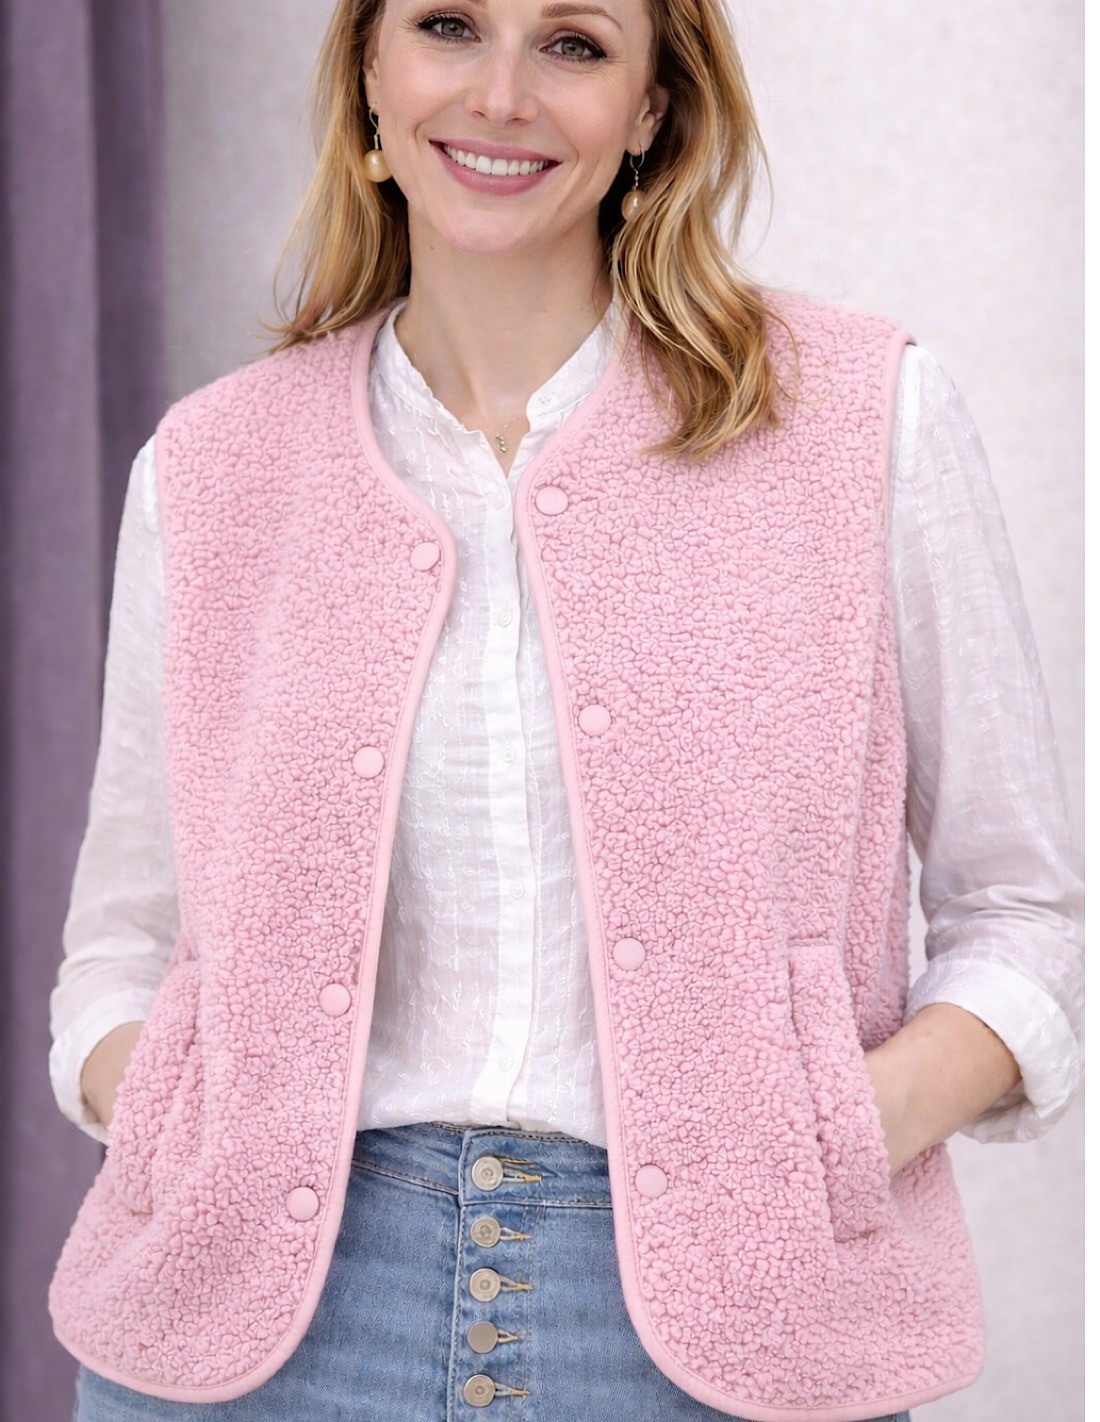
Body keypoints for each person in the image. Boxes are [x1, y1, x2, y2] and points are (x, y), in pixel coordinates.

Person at [48, 1, 1083, 1419]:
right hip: (252, 1336)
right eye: (449, 25)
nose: (502, 93)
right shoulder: (213, 466)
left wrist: (835, 1136)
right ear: (370, 70)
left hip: (732, 1328)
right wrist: (177, 1121)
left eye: (576, 43)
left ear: (654, 108)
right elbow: (123, 936)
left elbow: (1022, 911)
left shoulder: (860, 418)